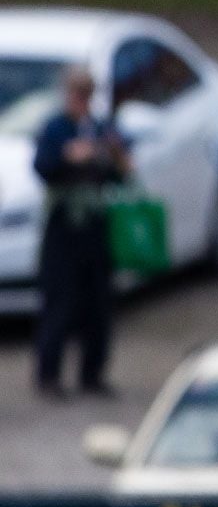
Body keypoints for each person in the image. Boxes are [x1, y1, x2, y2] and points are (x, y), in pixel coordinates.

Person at [32, 65, 126, 400]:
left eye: (87, 95)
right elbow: (42, 166)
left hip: (94, 226)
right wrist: (69, 155)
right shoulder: (55, 128)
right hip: (63, 227)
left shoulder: (100, 127)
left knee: (98, 304)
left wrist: (115, 156)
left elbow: (120, 173)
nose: (81, 101)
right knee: (60, 302)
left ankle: (92, 373)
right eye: (77, 94)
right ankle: (49, 375)